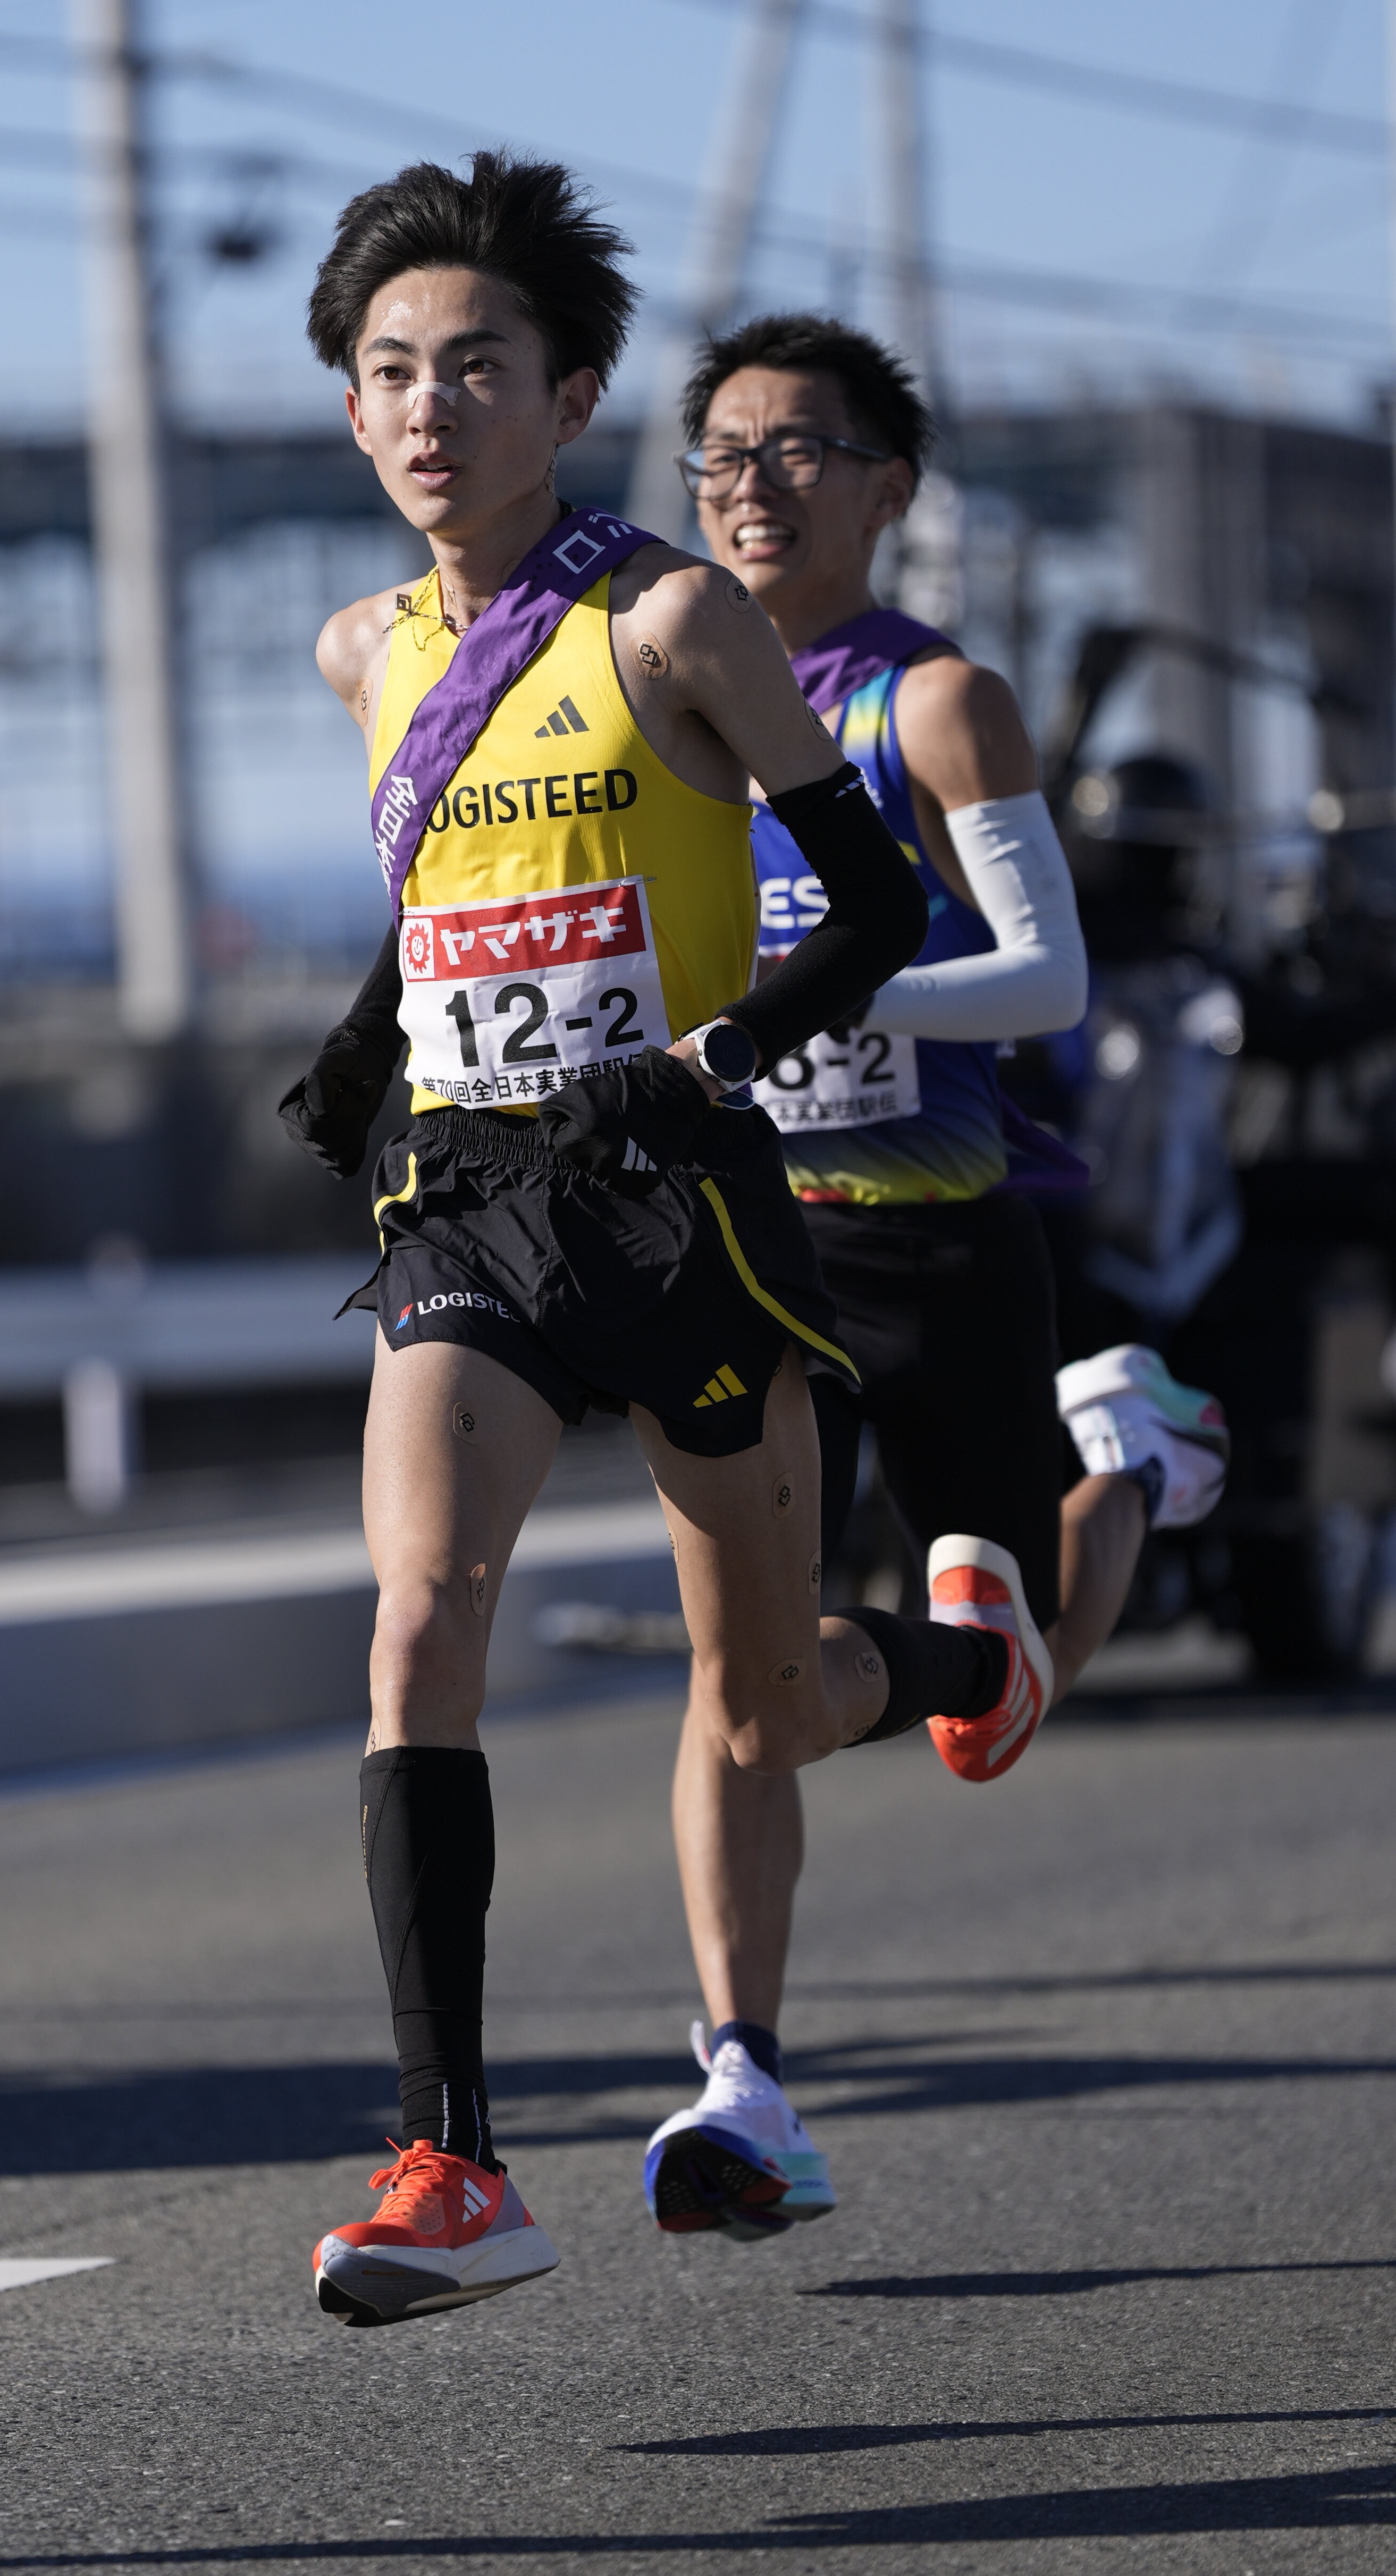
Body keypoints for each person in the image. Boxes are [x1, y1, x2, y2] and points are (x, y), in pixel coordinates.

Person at [284, 158, 1032, 2329]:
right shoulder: (362, 649)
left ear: (572, 393)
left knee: (764, 1689)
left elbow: (879, 911)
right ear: (352, 414)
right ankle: (451, 2159)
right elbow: (446, 911)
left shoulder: (671, 624)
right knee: (419, 1617)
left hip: (685, 1202)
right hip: (473, 1204)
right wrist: (364, 1046)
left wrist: (703, 1072)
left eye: (477, 371)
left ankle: (967, 1680)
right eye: (389, 375)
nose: (430, 410)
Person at [638, 313, 1226, 2247]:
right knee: (747, 1676)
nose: (751, 486)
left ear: (889, 489)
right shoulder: (656, 704)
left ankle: (1126, 1458)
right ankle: (744, 2074)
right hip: (745, 1238)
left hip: (940, 1234)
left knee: (990, 1707)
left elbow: (1044, 979)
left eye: (800, 451)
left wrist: (814, 993)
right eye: (721, 452)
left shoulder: (933, 705)